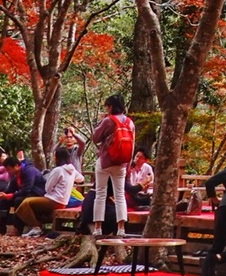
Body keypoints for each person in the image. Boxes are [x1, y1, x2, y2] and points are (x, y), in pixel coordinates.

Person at [87, 94, 136, 236]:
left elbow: (95, 138)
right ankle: (121, 228)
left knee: (100, 193)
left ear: (111, 107)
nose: (107, 109)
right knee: (120, 194)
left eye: (107, 106)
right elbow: (132, 145)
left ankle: (97, 228)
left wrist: (101, 122)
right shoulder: (130, 123)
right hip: (121, 163)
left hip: (105, 161)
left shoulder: (108, 121)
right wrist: (128, 165)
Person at [11, 145, 83, 235]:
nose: (53, 158)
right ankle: (36, 227)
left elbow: (47, 188)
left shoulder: (58, 170)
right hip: (63, 201)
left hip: (54, 199)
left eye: (54, 156)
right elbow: (81, 179)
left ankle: (36, 227)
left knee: (25, 203)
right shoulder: (72, 170)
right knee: (30, 204)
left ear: (58, 157)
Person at [0, 149, 45, 217]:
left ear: (16, 166)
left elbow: (26, 190)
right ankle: (1, 225)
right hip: (26, 194)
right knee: (3, 201)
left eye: (9, 170)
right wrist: (3, 194)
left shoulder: (29, 171)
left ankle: (19, 225)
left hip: (37, 194)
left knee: (18, 200)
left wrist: (9, 196)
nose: (8, 172)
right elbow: (11, 189)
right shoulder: (15, 175)